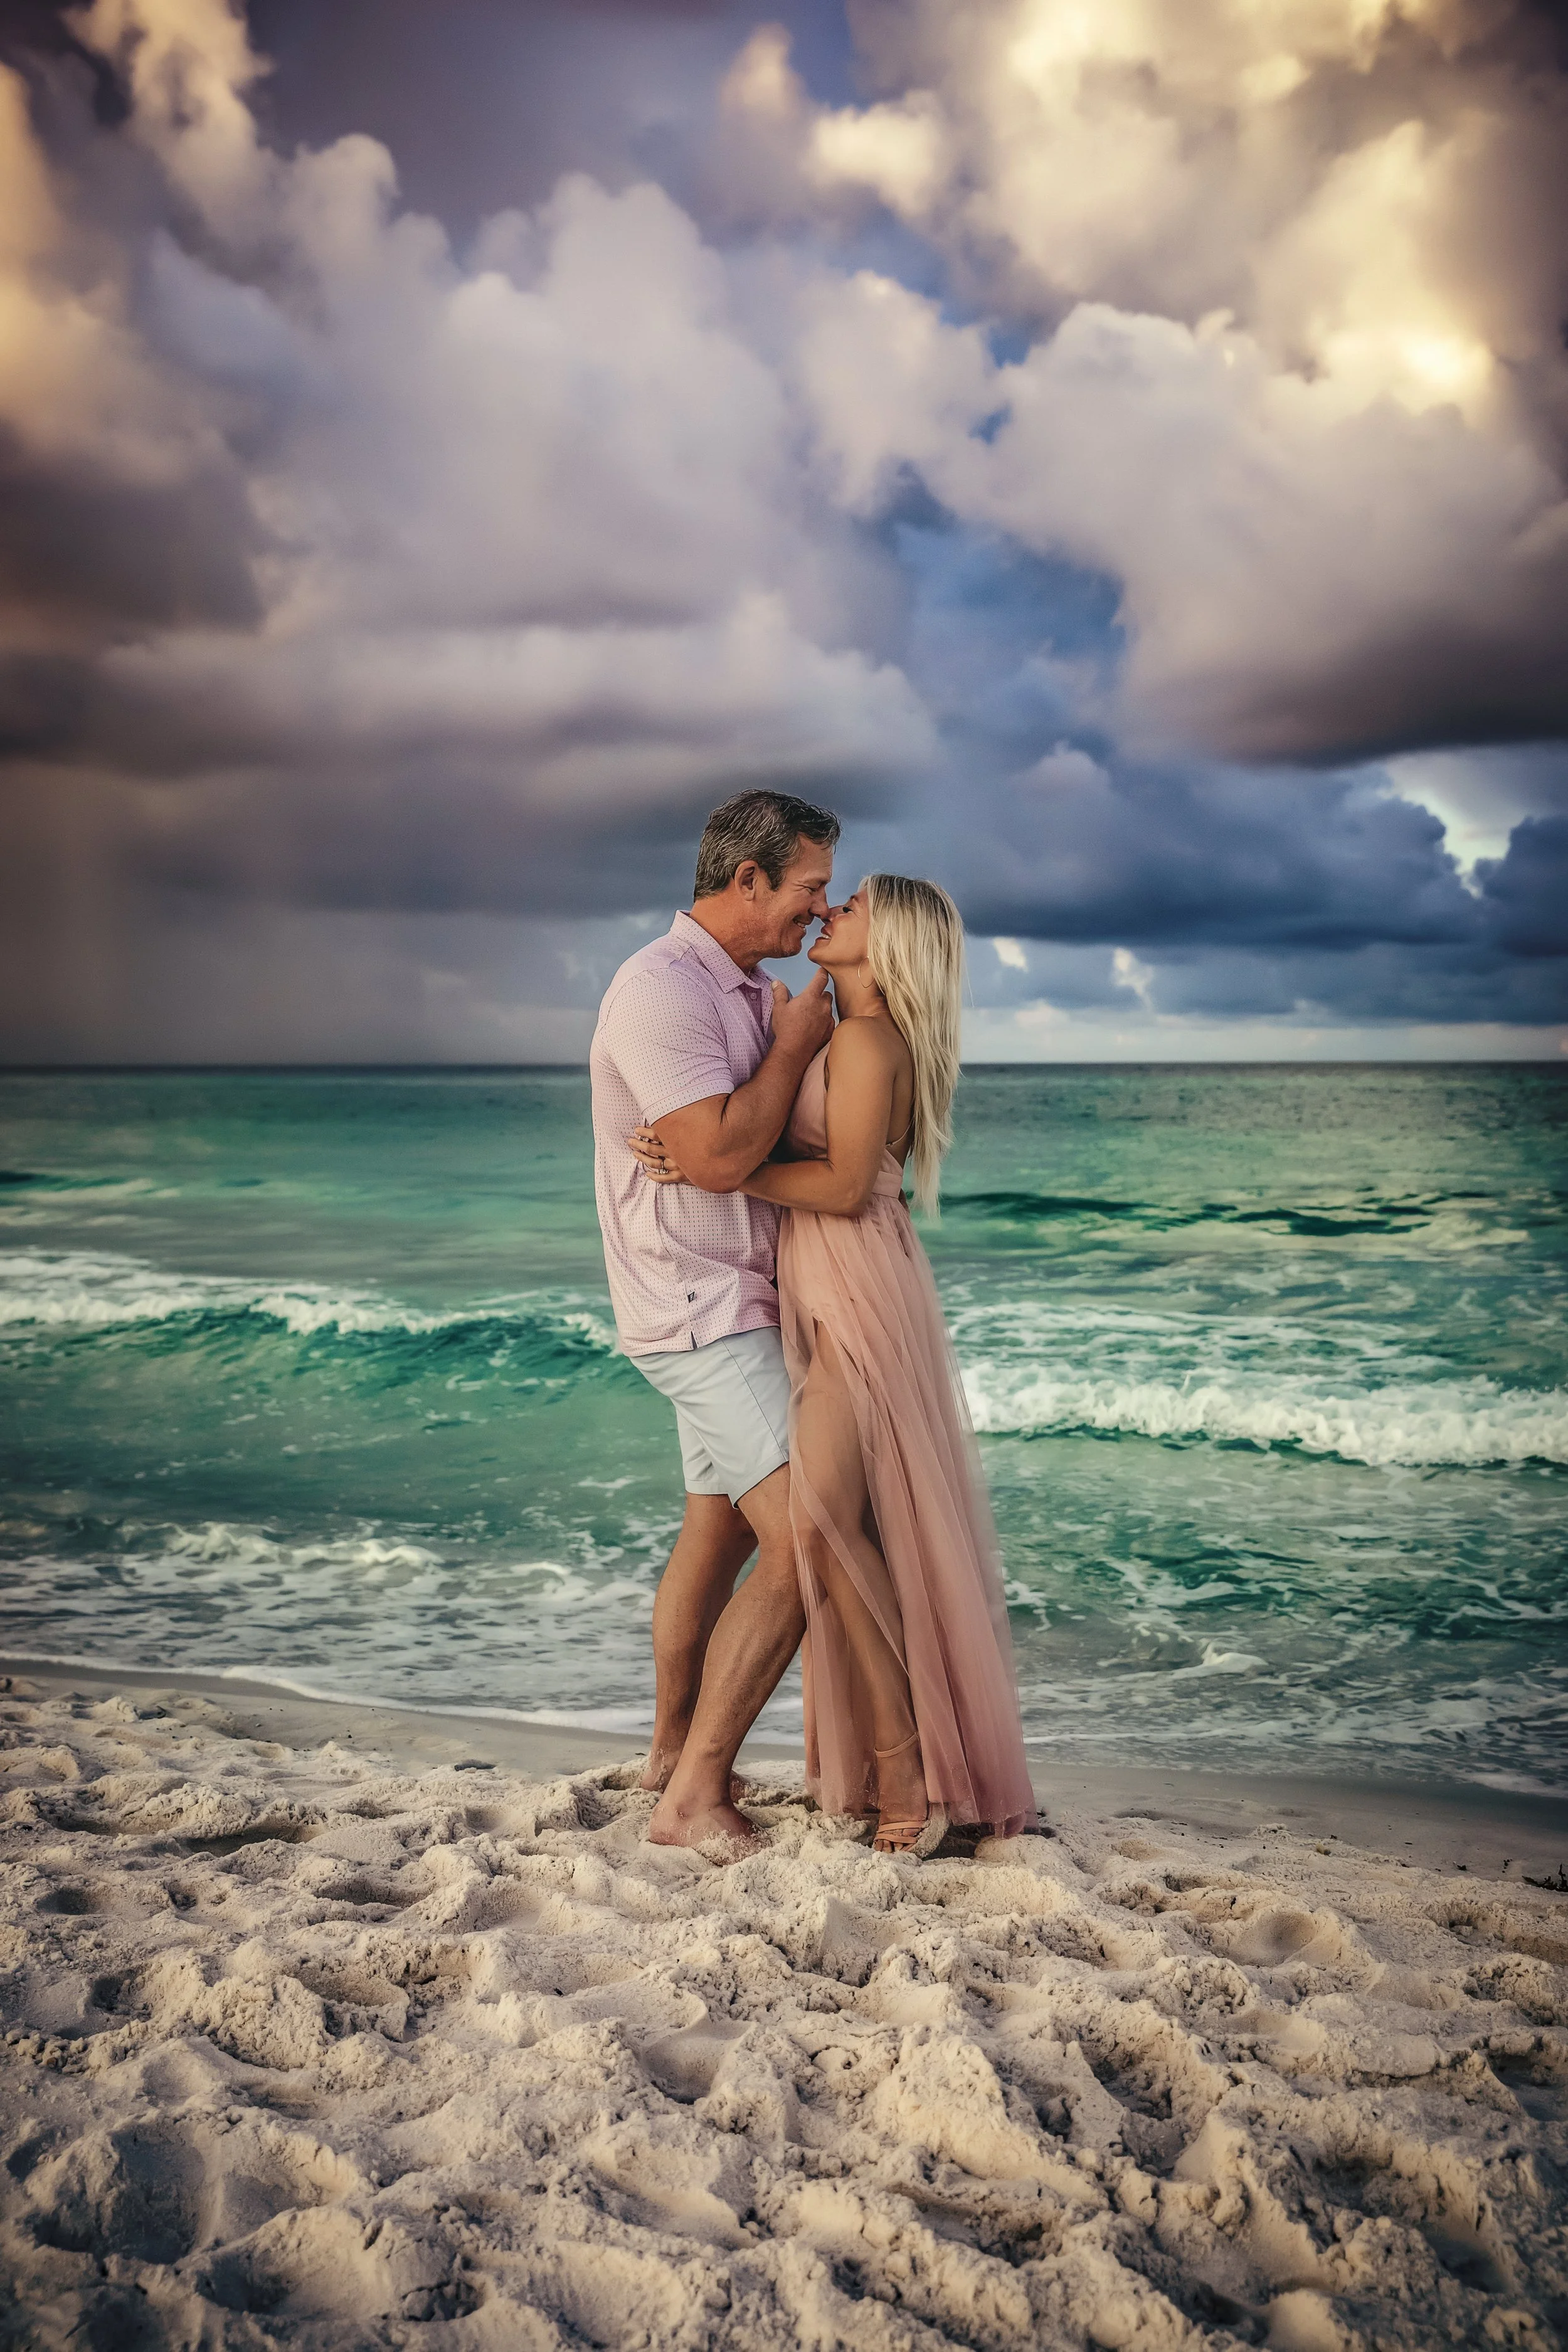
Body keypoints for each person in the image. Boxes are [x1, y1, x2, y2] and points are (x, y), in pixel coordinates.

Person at [633, 875, 1036, 1855]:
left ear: (886, 940)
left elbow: (850, 1180)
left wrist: (715, 1166)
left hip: (853, 1283)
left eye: (848, 905)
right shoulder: (841, 1028)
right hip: (824, 1279)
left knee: (824, 1522)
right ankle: (874, 1766)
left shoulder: (865, 1038)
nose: (828, 912)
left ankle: (906, 1772)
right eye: (828, 895)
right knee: (840, 1524)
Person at [590, 788, 839, 1854]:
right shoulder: (659, 989)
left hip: (737, 1298)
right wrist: (785, 1057)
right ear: (748, 880)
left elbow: (732, 1148)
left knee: (719, 1531)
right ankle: (695, 1796)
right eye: (809, 888)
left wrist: (739, 1117)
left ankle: (665, 1757)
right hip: (696, 1306)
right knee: (808, 1541)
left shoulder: (749, 989)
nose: (820, 913)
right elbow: (724, 1155)